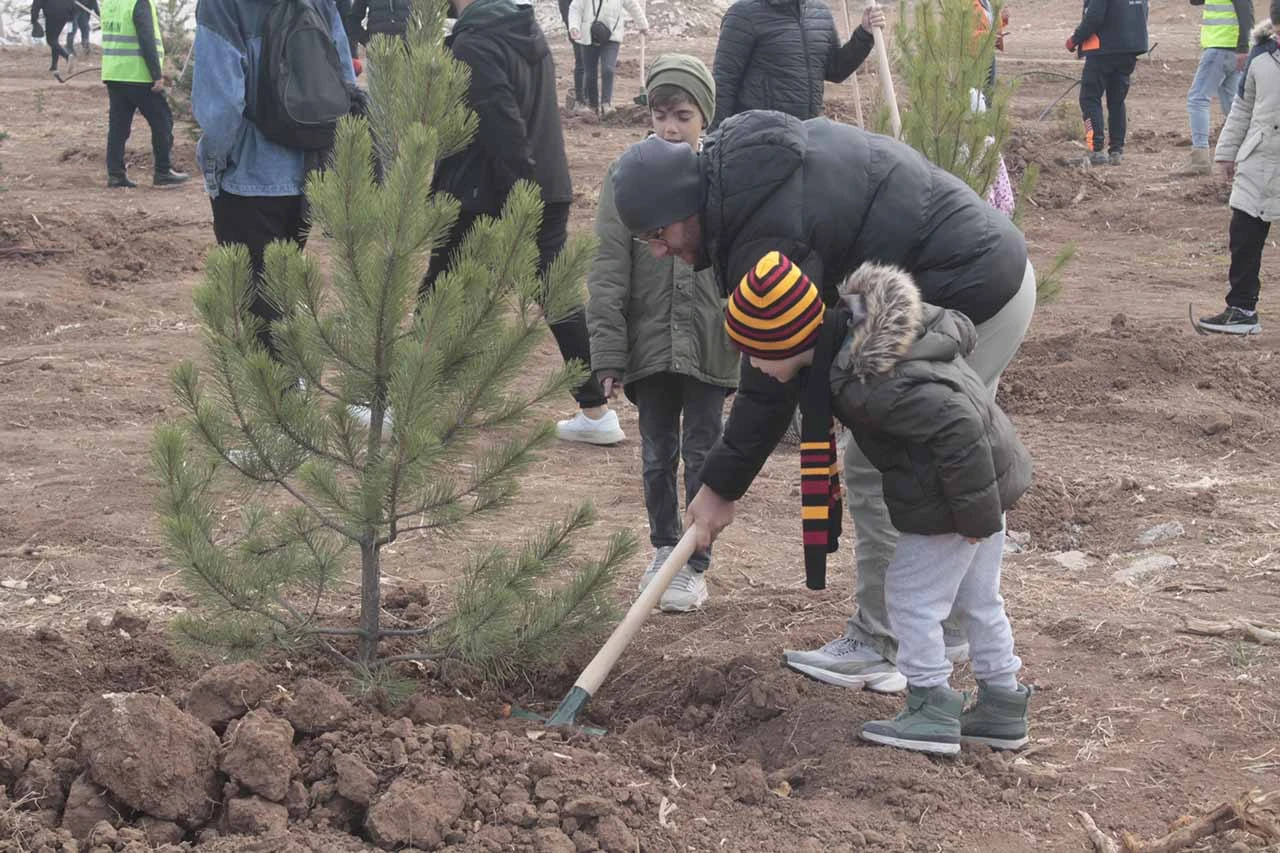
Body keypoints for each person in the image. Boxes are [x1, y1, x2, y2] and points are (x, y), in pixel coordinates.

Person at [610, 111, 1035, 692]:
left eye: (657, 236)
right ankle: (947, 630)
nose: (658, 252)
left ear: (684, 206)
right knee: (927, 457)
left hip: (974, 292)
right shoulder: (737, 173)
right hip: (964, 276)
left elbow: (770, 377)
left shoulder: (764, 233)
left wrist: (719, 488)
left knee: (886, 457)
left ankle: (887, 643)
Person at [723, 254, 1033, 754]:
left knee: (909, 599)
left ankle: (930, 704)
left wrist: (972, 518)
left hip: (953, 499)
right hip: (983, 483)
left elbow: (958, 427)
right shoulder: (864, 341)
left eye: (754, 353)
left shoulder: (870, 378)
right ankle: (1002, 704)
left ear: (784, 340)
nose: (753, 367)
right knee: (978, 599)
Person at [430, 0, 624, 444]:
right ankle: (596, 413)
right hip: (547, 181)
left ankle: (400, 404)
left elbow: (501, 124)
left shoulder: (474, 43)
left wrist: (521, 195)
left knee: (440, 290)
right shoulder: (525, 30)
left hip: (491, 191)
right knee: (556, 296)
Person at [587, 55, 737, 612]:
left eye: (683, 116)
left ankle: (694, 563)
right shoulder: (629, 178)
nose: (670, 128)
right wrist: (607, 349)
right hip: (649, 344)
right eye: (659, 115)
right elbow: (607, 265)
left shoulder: (719, 180)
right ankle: (663, 545)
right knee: (656, 454)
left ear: (705, 119)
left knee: (702, 452)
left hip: (709, 342)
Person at [192, 0, 355, 356]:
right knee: (281, 294)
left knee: (259, 309)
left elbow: (221, 107)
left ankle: (282, 402)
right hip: (308, 171)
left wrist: (215, 166)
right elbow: (343, 80)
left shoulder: (222, 6)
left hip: (249, 178)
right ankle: (291, 388)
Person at [1199, 7, 1280, 336]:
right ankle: (1242, 310)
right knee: (1244, 235)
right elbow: (1243, 108)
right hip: (1258, 160)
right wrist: (1227, 155)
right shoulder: (1261, 58)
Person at [709, 0, 883, 130]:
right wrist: (716, 139)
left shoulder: (820, 14)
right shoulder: (744, 15)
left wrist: (864, 34)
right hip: (760, 137)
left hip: (808, 132)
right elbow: (724, 82)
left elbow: (835, 70)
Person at [100, 0, 188, 188]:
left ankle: (116, 175)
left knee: (118, 127)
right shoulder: (138, 2)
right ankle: (163, 172)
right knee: (162, 121)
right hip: (138, 75)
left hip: (114, 73)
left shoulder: (109, 3)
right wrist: (156, 74)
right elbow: (146, 37)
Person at [1174, 0, 1253, 176]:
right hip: (1229, 49)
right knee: (1234, 105)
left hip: (1221, 49)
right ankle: (1250, 154)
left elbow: (1246, 12)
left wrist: (1243, 47)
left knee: (1198, 99)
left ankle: (1200, 159)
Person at [1066, 0, 1150, 166]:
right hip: (1130, 49)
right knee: (1117, 101)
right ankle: (1116, 151)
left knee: (1089, 98)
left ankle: (1096, 149)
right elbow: (1143, 13)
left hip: (1102, 51)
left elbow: (1094, 17)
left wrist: (1075, 39)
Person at [566, 0, 647, 117]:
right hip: (588, 35)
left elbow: (632, 5)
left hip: (611, 36)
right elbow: (575, 9)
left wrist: (642, 24)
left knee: (608, 69)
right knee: (590, 73)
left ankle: (606, 104)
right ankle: (593, 105)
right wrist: (574, 27)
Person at [31, 0, 75, 73]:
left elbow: (36, 4)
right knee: (54, 40)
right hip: (65, 13)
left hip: (52, 13)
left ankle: (67, 56)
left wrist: (34, 20)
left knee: (50, 40)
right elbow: (72, 3)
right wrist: (71, 17)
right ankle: (54, 66)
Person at [346, 0, 411, 49]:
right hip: (378, 51)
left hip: (408, 49)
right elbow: (353, 19)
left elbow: (420, 11)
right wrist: (365, 40)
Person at [558, 0, 585, 111]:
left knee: (589, 62)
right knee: (582, 61)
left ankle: (586, 97)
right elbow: (566, 10)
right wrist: (573, 27)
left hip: (593, 24)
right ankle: (580, 99)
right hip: (576, 25)